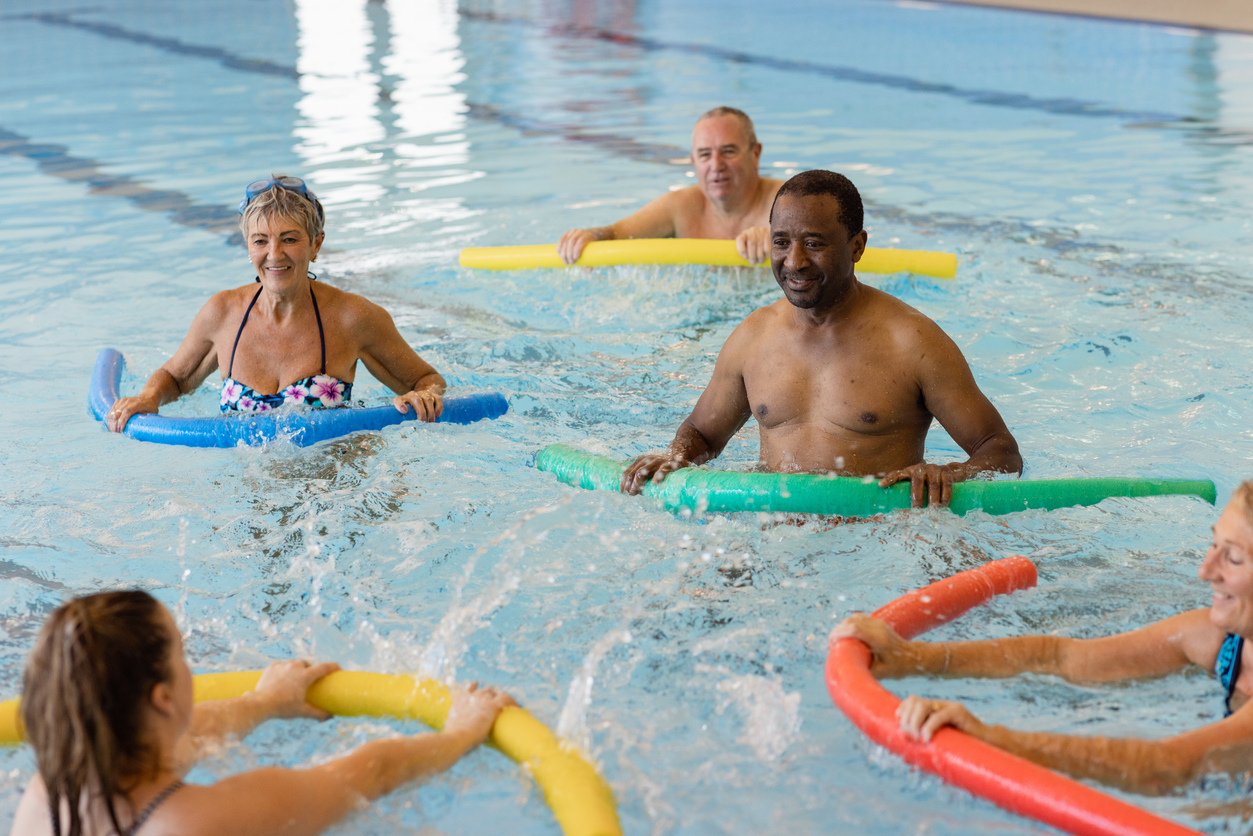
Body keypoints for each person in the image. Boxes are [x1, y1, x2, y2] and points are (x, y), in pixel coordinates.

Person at [620, 170, 1022, 507]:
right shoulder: (753, 338)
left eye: (814, 243)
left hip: (875, 544)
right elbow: (703, 434)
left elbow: (1000, 452)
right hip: (773, 534)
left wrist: (949, 473)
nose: (794, 261)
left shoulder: (913, 342)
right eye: (781, 242)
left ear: (857, 247)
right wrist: (676, 456)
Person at [831, 483, 1253, 796]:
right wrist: (914, 658)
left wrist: (994, 739)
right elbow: (1061, 656)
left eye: (1232, 557)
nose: (1205, 570)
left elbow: (1165, 767)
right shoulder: (1216, 637)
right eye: (1213, 544)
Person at [10, 590, 516, 836]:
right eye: (182, 655)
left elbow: (191, 733)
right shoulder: (197, 820)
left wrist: (264, 702)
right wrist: (462, 731)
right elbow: (369, 772)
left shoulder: (45, 796)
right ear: (163, 697)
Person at [105, 176, 445, 431]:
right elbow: (176, 378)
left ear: (316, 244)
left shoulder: (352, 318)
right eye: (260, 241)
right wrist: (149, 396)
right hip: (248, 496)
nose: (274, 255)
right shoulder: (222, 314)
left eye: (290, 239)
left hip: (334, 491)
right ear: (248, 246)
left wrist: (424, 396)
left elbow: (427, 379)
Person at [557, 107, 783, 265]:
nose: (716, 165)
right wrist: (589, 236)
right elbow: (615, 234)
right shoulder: (681, 207)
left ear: (755, 153)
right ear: (693, 161)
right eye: (705, 155)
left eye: (728, 151)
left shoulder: (788, 204)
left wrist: (782, 241)